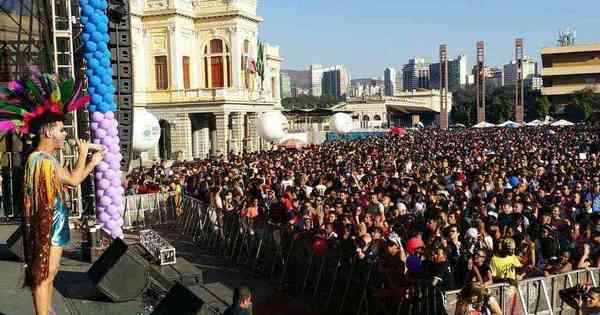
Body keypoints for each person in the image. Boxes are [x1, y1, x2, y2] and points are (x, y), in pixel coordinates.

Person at [0, 72, 102, 315]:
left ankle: (46, 309)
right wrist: (84, 155)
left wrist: (91, 162)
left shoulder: (44, 159)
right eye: (60, 129)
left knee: (50, 271)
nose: (65, 134)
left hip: (55, 219)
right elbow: (74, 180)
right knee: (44, 273)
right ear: (47, 132)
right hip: (49, 223)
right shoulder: (42, 160)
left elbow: (65, 183)